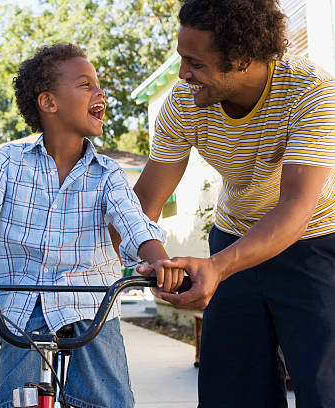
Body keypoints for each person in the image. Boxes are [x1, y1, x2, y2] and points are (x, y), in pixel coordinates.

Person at [0, 43, 184, 408]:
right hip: (22, 302)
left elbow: (134, 222)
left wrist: (161, 262)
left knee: (110, 399)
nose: (100, 93)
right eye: (86, 84)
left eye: (99, 86)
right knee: (14, 400)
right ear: (49, 102)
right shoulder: (9, 161)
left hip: (91, 303)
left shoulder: (108, 174)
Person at [132, 1, 335, 407]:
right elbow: (144, 203)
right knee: (231, 393)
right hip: (233, 238)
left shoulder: (312, 93)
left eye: (195, 62)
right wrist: (152, 259)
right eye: (181, 58)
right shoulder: (185, 102)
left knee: (324, 389)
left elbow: (296, 209)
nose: (183, 73)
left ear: (242, 59)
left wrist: (217, 267)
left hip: (315, 245)